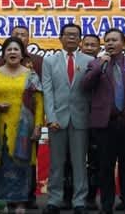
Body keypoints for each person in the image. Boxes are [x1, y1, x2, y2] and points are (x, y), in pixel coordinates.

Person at [81, 28, 125, 214]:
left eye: (114, 40)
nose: (110, 43)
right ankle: (106, 206)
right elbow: (85, 85)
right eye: (107, 40)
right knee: (105, 167)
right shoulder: (95, 63)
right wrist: (99, 65)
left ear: (123, 43)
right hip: (105, 124)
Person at [0, 37, 44, 214]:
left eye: (16, 49)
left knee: (23, 164)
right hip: (1, 128)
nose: (13, 52)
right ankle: (6, 200)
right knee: (3, 164)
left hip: (25, 128)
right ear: (4, 54)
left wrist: (38, 126)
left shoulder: (31, 75)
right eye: (9, 49)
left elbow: (39, 102)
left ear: (22, 54)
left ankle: (21, 202)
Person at [42, 23, 94, 214]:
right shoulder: (49, 61)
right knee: (56, 164)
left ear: (80, 39)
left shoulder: (90, 60)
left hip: (81, 118)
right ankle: (54, 200)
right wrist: (50, 117)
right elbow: (47, 91)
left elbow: (92, 92)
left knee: (80, 163)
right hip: (57, 119)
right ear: (60, 38)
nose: (71, 37)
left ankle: (79, 201)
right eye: (68, 34)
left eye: (75, 35)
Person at [0, 25, 43, 208]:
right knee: (6, 159)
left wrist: (38, 123)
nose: (20, 37)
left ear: (28, 39)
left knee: (28, 159)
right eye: (16, 35)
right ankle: (8, 197)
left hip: (28, 119)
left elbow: (41, 93)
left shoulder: (38, 61)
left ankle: (28, 196)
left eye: (23, 35)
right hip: (4, 119)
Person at [79, 33, 101, 209]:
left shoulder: (105, 65)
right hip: (75, 118)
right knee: (72, 161)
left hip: (97, 121)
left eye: (93, 45)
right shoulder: (73, 63)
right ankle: (71, 196)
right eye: (86, 44)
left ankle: (91, 197)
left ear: (99, 48)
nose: (89, 48)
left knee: (95, 162)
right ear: (81, 46)